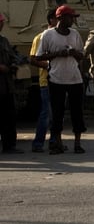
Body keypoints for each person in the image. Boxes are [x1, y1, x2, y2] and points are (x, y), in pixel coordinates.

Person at [36, 5, 87, 154]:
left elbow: (81, 55)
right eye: (70, 17)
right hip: (56, 79)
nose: (72, 20)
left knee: (77, 112)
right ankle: (57, 143)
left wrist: (73, 53)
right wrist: (58, 53)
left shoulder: (75, 34)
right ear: (60, 18)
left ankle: (77, 143)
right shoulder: (48, 35)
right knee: (57, 113)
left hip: (75, 79)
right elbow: (39, 56)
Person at [29, 8, 59, 153]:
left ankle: (54, 142)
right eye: (58, 18)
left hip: (61, 81)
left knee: (57, 115)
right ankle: (38, 143)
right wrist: (49, 66)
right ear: (51, 20)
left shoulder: (64, 36)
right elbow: (33, 59)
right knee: (46, 114)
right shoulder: (41, 37)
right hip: (46, 81)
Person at [0, 12, 24, 154]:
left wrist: (14, 63)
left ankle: (9, 145)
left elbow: (11, 56)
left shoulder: (3, 41)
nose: (2, 24)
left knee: (9, 116)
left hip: (6, 85)